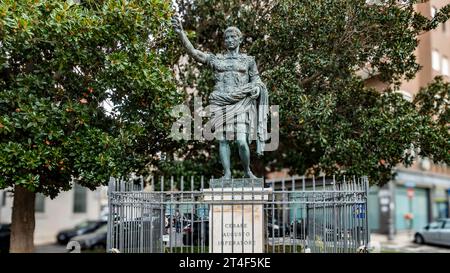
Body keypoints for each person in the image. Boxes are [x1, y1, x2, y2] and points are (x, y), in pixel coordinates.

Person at [172, 17, 269, 179]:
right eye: (227, 38)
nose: (230, 40)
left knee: (241, 141)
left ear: (240, 39)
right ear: (224, 41)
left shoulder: (248, 60)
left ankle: (247, 171)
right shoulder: (217, 59)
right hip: (219, 101)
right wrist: (182, 34)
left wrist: (257, 90)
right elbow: (195, 53)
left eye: (233, 37)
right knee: (222, 140)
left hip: (240, 102)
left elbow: (257, 80)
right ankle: (227, 173)